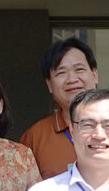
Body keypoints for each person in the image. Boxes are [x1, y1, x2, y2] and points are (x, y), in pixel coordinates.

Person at [20, 37, 98, 179]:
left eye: (79, 69)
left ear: (94, 75)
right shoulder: (34, 138)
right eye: (61, 73)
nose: (72, 79)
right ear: (49, 85)